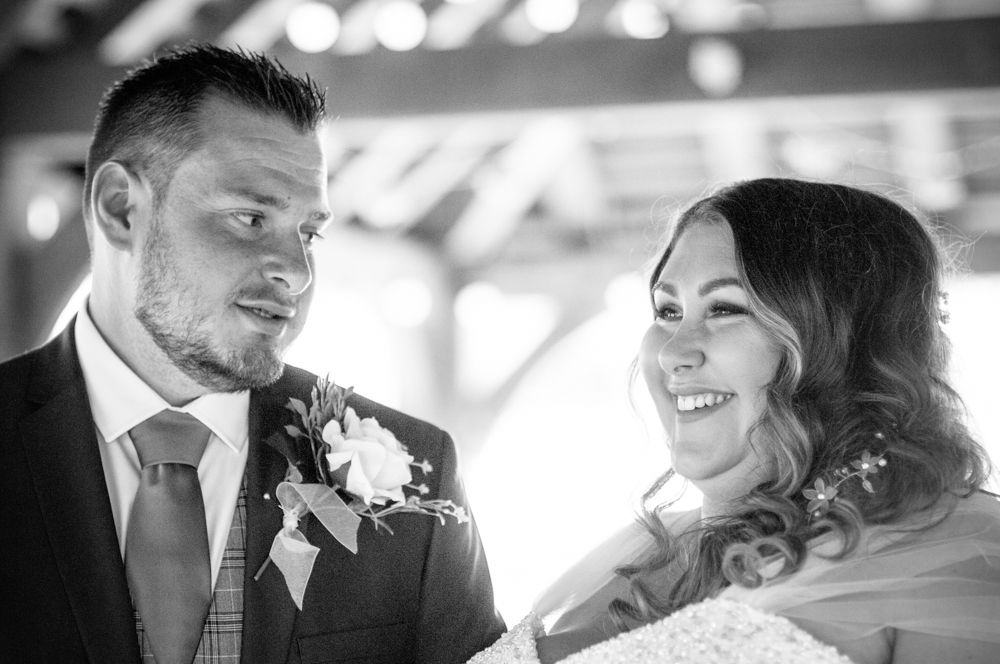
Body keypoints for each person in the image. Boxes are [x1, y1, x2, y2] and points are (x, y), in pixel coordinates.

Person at [0, 44, 504, 663]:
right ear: (120, 209)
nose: (297, 270)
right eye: (249, 217)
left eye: (309, 233)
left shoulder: (414, 475)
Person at [468, 178, 1000, 664]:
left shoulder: (950, 558)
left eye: (724, 309)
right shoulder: (639, 553)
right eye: (667, 311)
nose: (674, 352)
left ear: (839, 344)